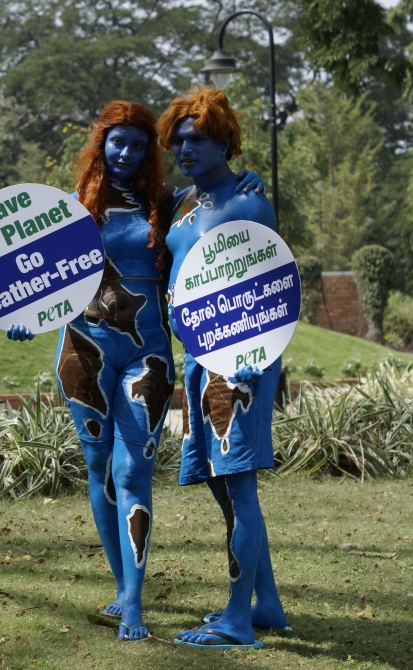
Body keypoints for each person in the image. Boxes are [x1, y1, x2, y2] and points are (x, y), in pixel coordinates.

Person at [6, 100, 264, 641]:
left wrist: (250, 181)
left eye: (137, 144)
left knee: (133, 473)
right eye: (115, 141)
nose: (125, 152)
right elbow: (32, 279)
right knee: (100, 471)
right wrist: (20, 315)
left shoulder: (167, 203)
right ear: (100, 143)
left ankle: (134, 607)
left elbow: (220, 210)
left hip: (147, 355)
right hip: (81, 350)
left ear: (150, 151)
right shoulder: (71, 208)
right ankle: (125, 592)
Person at [156, 87, 287, 651]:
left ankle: (237, 618)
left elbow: (272, 287)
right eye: (179, 139)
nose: (186, 148)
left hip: (239, 364)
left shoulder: (249, 203)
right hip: (198, 358)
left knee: (239, 486)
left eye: (199, 139)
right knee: (219, 481)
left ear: (224, 140)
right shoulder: (185, 205)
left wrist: (249, 367)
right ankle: (267, 604)